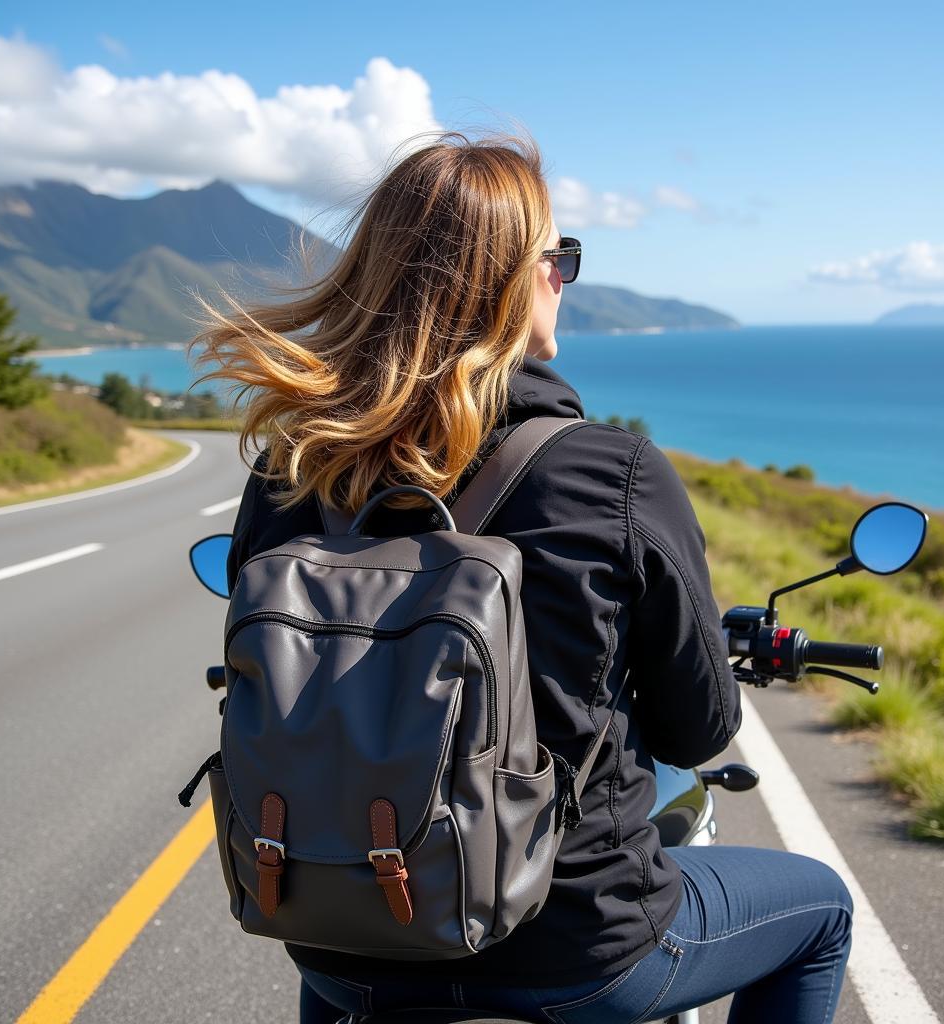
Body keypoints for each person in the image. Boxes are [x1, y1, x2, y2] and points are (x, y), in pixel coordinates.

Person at [190, 130, 853, 1024]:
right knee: (821, 908)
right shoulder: (610, 472)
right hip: (582, 950)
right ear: (512, 278)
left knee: (337, 982)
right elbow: (698, 728)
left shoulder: (290, 471)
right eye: (558, 257)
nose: (562, 279)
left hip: (343, 941)